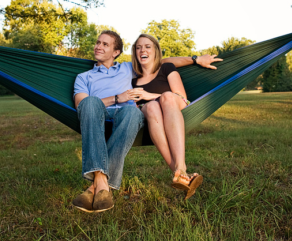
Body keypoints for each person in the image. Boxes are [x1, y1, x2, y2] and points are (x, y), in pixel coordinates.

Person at [72, 30, 221, 213]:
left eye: (105, 44)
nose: (98, 46)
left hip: (129, 114)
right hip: (98, 114)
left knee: (133, 111)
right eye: (97, 43)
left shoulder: (127, 69)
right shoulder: (84, 77)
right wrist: (118, 97)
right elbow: (82, 105)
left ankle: (98, 183)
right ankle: (101, 183)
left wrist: (195, 59)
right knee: (93, 103)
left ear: (116, 52)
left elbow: (162, 62)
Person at [129, 34, 222, 200]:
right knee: (151, 106)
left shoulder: (165, 68)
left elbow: (179, 95)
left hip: (174, 103)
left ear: (156, 51)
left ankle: (180, 166)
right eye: (138, 47)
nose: (142, 49)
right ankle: (181, 174)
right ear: (135, 52)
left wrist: (196, 59)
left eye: (148, 46)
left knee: (166, 97)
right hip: (151, 114)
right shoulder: (133, 79)